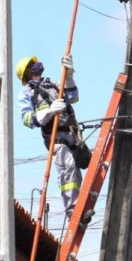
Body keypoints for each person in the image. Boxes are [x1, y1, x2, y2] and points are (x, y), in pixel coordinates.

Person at [16, 54, 86, 220]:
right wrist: (49, 111)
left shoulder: (53, 84)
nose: (36, 68)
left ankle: (81, 208)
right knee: (67, 167)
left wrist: (69, 76)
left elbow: (73, 97)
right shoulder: (26, 92)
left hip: (73, 134)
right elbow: (27, 120)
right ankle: (73, 212)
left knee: (76, 171)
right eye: (31, 67)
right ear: (26, 74)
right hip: (55, 138)